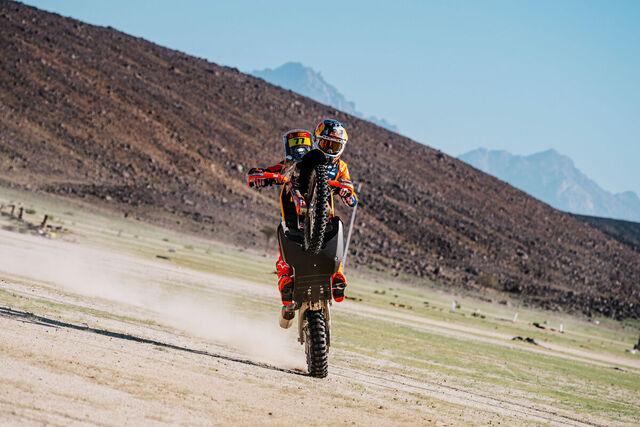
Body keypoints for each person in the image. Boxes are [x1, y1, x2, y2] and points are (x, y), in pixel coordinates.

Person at [247, 119, 357, 308]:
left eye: (334, 146)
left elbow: (351, 195)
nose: (329, 150)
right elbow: (273, 171)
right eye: (326, 144)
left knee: (337, 227)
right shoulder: (299, 162)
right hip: (293, 211)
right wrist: (263, 176)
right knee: (284, 233)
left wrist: (347, 193)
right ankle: (286, 281)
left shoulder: (341, 167)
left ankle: (337, 275)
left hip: (324, 218)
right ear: (316, 141)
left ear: (342, 147)